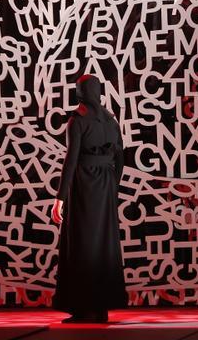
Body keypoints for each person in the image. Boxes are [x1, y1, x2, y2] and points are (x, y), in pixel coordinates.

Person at [51, 74, 127, 324]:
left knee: (83, 244)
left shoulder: (77, 120)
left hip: (84, 185)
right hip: (105, 186)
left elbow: (71, 160)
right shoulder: (110, 120)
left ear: (80, 92)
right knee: (103, 244)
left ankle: (84, 308)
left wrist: (59, 198)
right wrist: (112, 187)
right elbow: (120, 157)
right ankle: (100, 307)